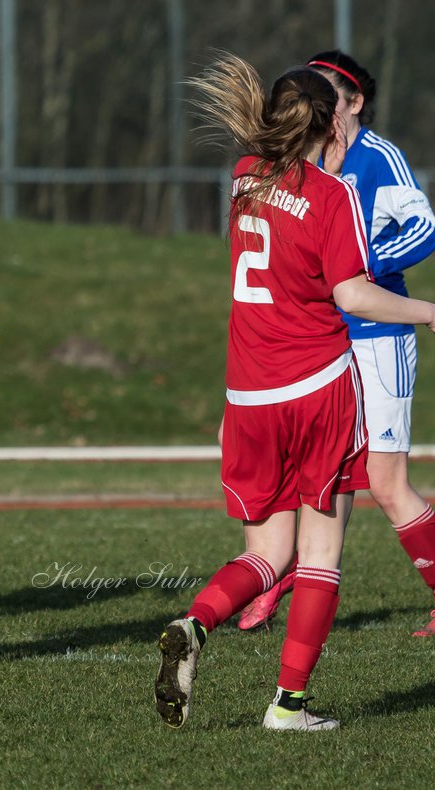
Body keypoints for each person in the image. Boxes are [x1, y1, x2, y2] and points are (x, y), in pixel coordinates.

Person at [154, 55, 435, 732]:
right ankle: (290, 704)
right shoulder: (331, 197)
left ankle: (196, 620)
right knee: (321, 553)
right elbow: (351, 294)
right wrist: (429, 311)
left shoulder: (244, 178)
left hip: (249, 395)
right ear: (328, 121)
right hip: (317, 389)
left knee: (266, 553)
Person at [238, 51, 435, 638]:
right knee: (309, 470)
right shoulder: (294, 162)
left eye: (329, 92)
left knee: (385, 481)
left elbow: (424, 229)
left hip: (377, 334)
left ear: (353, 103)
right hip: (319, 341)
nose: (317, 102)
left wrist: (360, 271)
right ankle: (271, 577)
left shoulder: (378, 157)